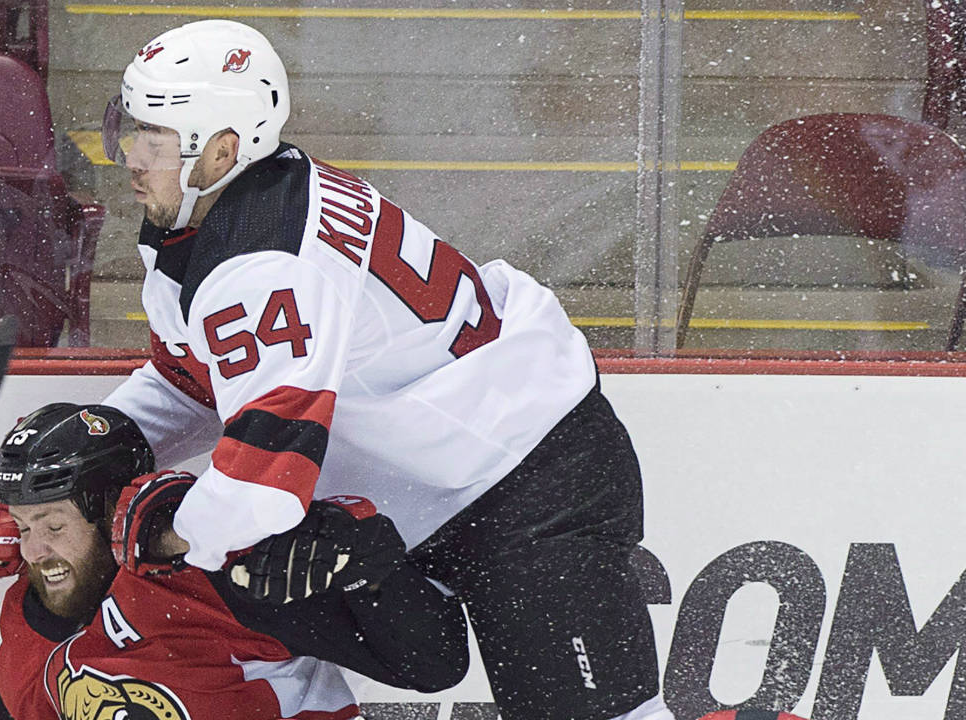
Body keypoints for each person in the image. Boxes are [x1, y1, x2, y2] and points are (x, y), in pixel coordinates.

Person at [96, 19, 673, 720]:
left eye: (152, 140)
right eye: (128, 131)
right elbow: (197, 380)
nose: (129, 156)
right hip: (434, 489)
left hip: (532, 479)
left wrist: (159, 530)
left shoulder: (260, 265)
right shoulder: (221, 216)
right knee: (255, 567)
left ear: (219, 151)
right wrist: (102, 441)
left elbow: (262, 483)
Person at [0, 402, 468, 719]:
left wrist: (368, 561)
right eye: (23, 526)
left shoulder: (221, 581)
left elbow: (432, 667)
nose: (33, 552)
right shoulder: (25, 622)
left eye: (54, 526)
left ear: (113, 508)